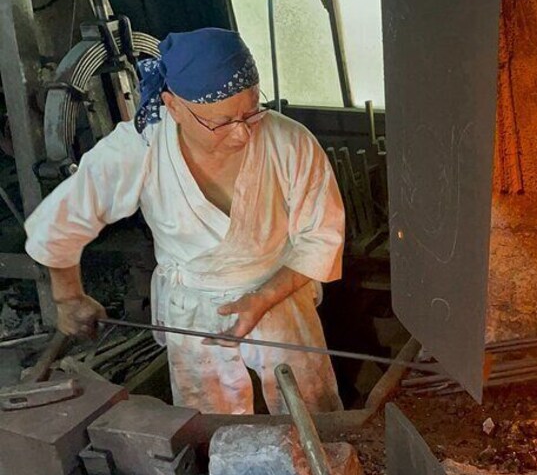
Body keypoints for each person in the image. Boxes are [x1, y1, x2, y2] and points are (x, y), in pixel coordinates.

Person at [24, 28, 345, 414]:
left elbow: (321, 237)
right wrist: (68, 296)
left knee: (315, 410)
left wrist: (263, 297)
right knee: (210, 424)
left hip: (278, 290)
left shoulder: (289, 142)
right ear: (173, 105)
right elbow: (62, 220)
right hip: (192, 305)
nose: (242, 134)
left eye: (251, 113)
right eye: (222, 122)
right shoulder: (141, 146)